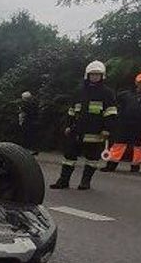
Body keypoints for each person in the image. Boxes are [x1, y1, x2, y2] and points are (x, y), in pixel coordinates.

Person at [50, 61, 117, 190]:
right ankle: (63, 181)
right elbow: (71, 110)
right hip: (77, 130)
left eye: (98, 74)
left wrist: (107, 129)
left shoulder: (107, 93)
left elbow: (111, 112)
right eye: (92, 74)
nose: (95, 77)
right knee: (69, 156)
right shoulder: (79, 91)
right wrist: (68, 125)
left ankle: (85, 182)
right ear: (87, 75)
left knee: (92, 158)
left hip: (95, 131)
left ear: (102, 76)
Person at [103, 73, 141, 173]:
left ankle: (135, 166)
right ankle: (111, 164)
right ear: (136, 82)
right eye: (140, 82)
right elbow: (117, 104)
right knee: (119, 143)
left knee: (139, 146)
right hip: (125, 123)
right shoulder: (126, 94)